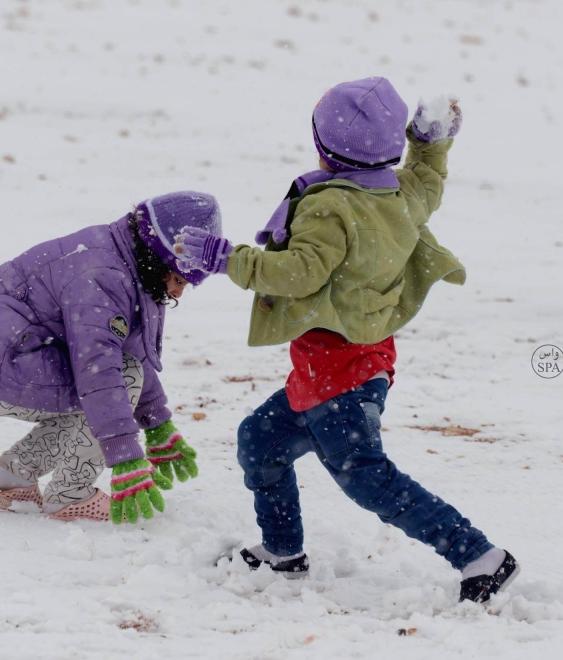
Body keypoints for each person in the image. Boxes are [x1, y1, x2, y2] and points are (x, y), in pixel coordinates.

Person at [175, 77, 519, 604]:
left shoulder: (329, 207)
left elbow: (299, 273)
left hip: (341, 371)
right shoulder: (401, 193)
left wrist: (227, 258)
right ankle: (283, 551)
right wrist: (430, 142)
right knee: (260, 442)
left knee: (365, 477)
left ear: (321, 144)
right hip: (343, 361)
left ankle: (479, 555)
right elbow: (428, 180)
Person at [0, 192, 212, 523]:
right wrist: (125, 456)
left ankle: (14, 476)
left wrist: (158, 422)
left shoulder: (126, 261)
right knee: (112, 387)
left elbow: (125, 349)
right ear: (158, 255)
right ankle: (71, 495)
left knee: (104, 394)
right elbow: (100, 371)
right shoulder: (104, 274)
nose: (177, 292)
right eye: (178, 279)